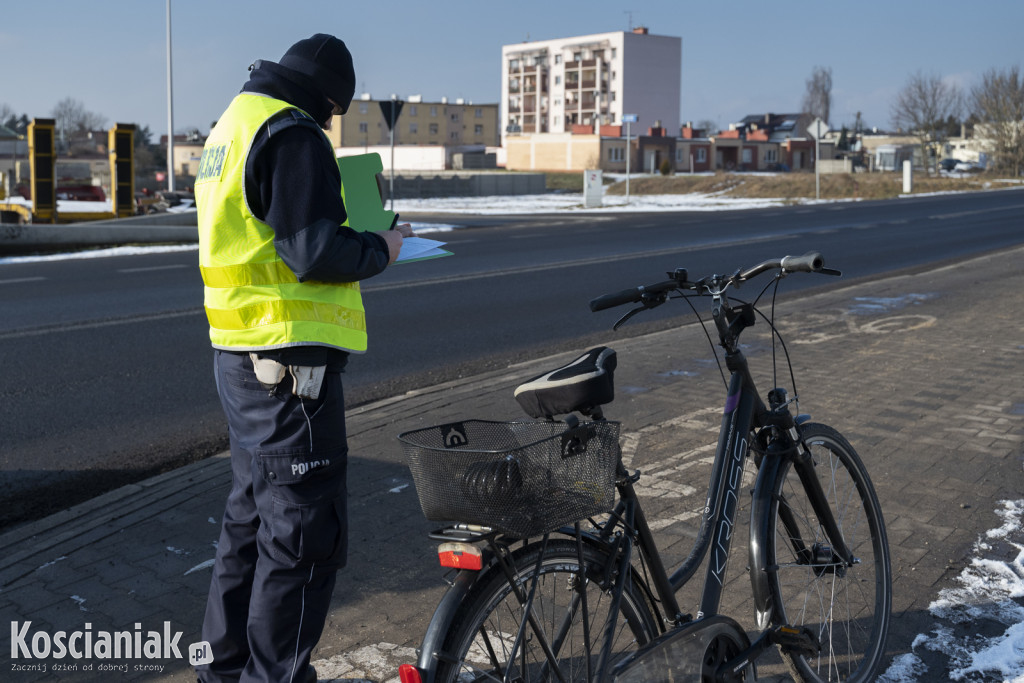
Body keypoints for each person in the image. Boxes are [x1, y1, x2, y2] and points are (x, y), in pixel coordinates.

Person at [193, 34, 411, 683]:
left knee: (248, 522)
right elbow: (312, 251)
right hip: (291, 373)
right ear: (326, 98)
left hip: (241, 358)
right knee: (301, 537)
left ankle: (223, 672)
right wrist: (381, 246)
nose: (330, 124)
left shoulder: (232, 124)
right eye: (333, 112)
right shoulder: (292, 131)